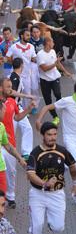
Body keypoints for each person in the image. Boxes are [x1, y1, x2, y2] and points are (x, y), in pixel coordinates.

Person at [27, 122, 76, 234]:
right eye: (49, 135)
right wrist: (44, 183)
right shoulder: (35, 153)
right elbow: (30, 174)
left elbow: (72, 166)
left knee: (58, 228)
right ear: (43, 135)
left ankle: (51, 226)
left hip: (57, 194)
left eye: (55, 134)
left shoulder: (62, 151)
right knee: (37, 227)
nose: (53, 138)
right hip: (38, 194)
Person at [0, 77, 34, 208]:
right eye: (8, 87)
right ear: (1, 88)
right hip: (2, 143)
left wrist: (29, 109)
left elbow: (17, 117)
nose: (10, 89)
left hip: (9, 143)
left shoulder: (12, 102)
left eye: (11, 87)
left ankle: (10, 196)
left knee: (11, 172)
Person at [37, 37, 71, 125]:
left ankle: (61, 106)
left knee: (58, 94)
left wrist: (65, 71)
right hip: (44, 81)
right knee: (48, 100)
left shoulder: (52, 51)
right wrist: (55, 63)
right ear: (48, 43)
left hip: (55, 78)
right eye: (52, 41)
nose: (54, 43)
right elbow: (44, 69)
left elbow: (57, 63)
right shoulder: (40, 55)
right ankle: (55, 117)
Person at [6, 28, 37, 109]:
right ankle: (14, 109)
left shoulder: (31, 47)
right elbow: (7, 57)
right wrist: (14, 64)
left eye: (29, 35)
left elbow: (34, 59)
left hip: (27, 76)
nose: (29, 37)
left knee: (27, 93)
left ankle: (25, 112)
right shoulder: (14, 46)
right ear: (21, 36)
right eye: (27, 35)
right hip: (16, 75)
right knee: (14, 93)